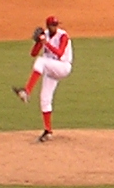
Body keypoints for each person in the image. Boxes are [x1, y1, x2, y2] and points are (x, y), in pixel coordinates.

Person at [12, 14, 72, 144]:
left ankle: (27, 91)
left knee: (41, 62)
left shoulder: (63, 35)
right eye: (52, 25)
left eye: (56, 25)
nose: (54, 27)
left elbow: (60, 53)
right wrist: (38, 42)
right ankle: (48, 131)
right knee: (45, 99)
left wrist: (46, 42)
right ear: (48, 26)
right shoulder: (44, 35)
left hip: (63, 66)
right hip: (51, 69)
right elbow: (33, 54)